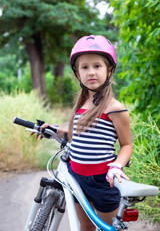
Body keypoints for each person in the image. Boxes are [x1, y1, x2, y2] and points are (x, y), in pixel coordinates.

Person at [32, 35, 133, 231]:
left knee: (109, 227)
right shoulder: (82, 105)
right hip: (76, 177)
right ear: (77, 73)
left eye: (97, 66)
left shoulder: (114, 108)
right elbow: (77, 137)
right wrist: (55, 130)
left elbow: (127, 145)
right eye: (84, 67)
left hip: (102, 182)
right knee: (85, 226)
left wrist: (117, 166)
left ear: (109, 70)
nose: (91, 72)